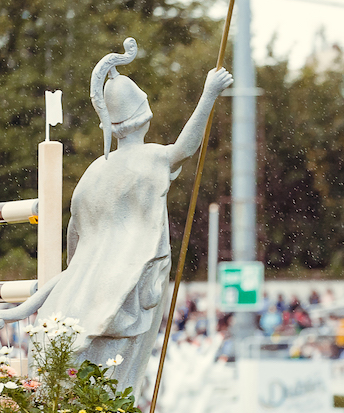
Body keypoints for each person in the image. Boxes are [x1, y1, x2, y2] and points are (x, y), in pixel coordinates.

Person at [0, 38, 232, 394]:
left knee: (71, 371)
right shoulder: (150, 157)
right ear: (145, 112)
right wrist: (208, 94)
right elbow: (185, 147)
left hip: (83, 282)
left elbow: (75, 239)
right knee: (115, 376)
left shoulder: (94, 171)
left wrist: (77, 275)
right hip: (128, 282)